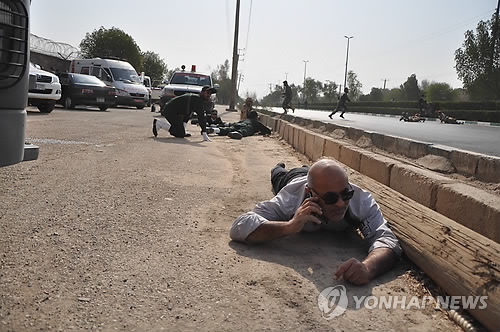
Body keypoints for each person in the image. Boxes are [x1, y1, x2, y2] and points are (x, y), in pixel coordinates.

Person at [230, 159, 402, 285]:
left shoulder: (361, 199)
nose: (341, 203)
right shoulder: (289, 199)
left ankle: (308, 168)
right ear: (310, 194)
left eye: (346, 194)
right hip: (292, 179)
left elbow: (386, 239)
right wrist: (289, 226)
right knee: (278, 174)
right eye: (330, 198)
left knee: (308, 169)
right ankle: (279, 166)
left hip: (311, 178)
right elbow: (240, 225)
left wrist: (368, 268)